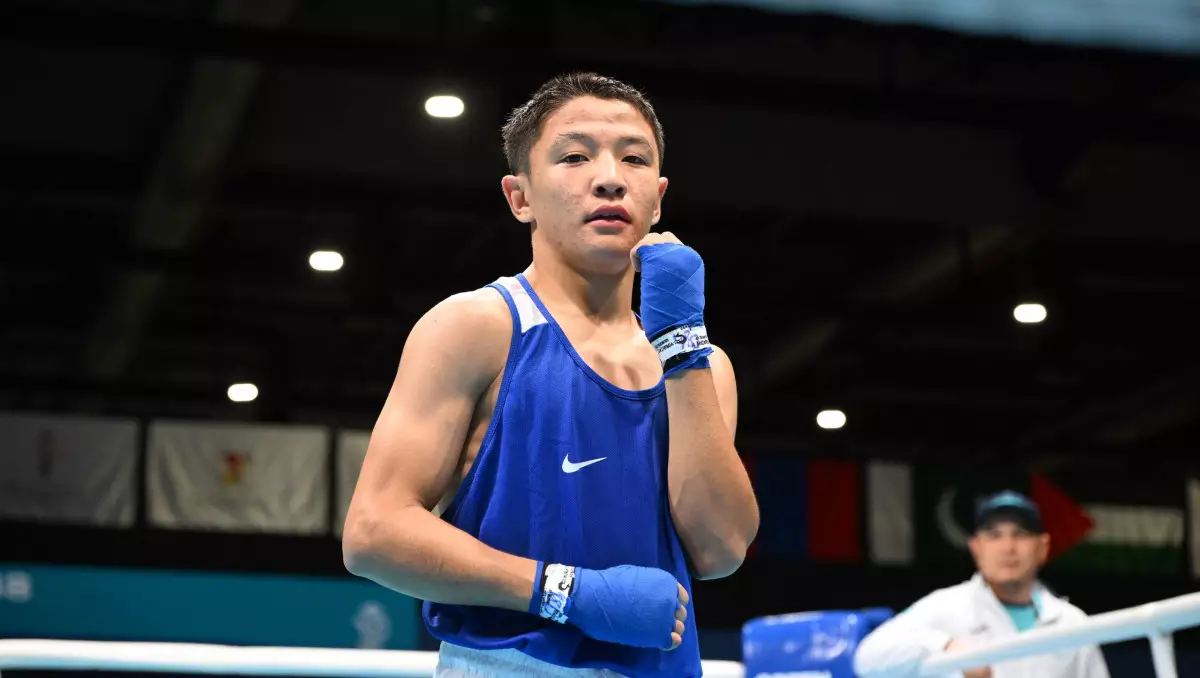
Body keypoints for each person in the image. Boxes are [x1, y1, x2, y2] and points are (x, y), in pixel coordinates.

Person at [341, 72, 759, 678]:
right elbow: (373, 533)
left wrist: (683, 345)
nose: (610, 177)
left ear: (658, 198)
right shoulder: (477, 327)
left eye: (634, 158)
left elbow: (720, 550)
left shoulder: (703, 365)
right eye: (574, 156)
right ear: (520, 198)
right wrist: (564, 592)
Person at [853, 491, 1110, 678]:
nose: (1008, 547)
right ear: (976, 548)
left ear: (1043, 547)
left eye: (1020, 534)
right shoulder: (945, 606)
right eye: (994, 535)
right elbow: (868, 658)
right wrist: (946, 645)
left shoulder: (1072, 621)